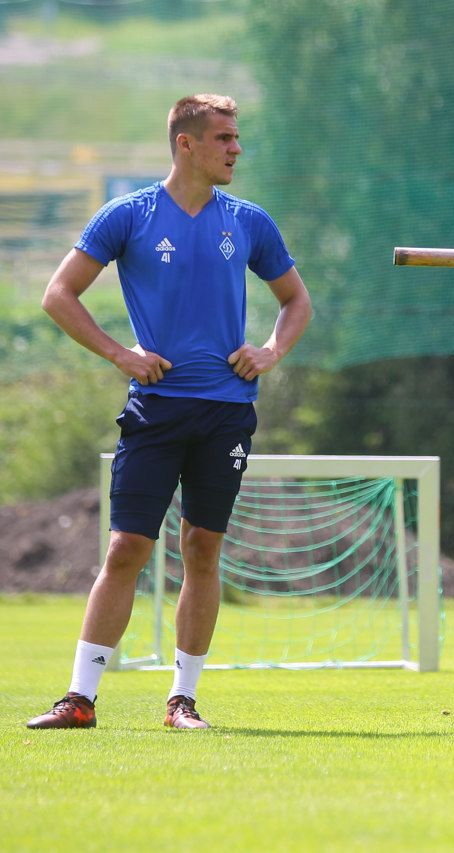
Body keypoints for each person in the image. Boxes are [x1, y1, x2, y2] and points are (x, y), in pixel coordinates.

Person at [27, 94, 313, 730]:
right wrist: (120, 355)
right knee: (127, 547)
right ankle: (79, 699)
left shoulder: (249, 221)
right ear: (186, 143)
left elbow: (296, 302)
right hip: (155, 408)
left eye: (237, 137)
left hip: (227, 412)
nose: (236, 148)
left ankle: (181, 701)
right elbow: (58, 294)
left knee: (203, 548)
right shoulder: (129, 215)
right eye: (224, 138)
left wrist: (269, 351)